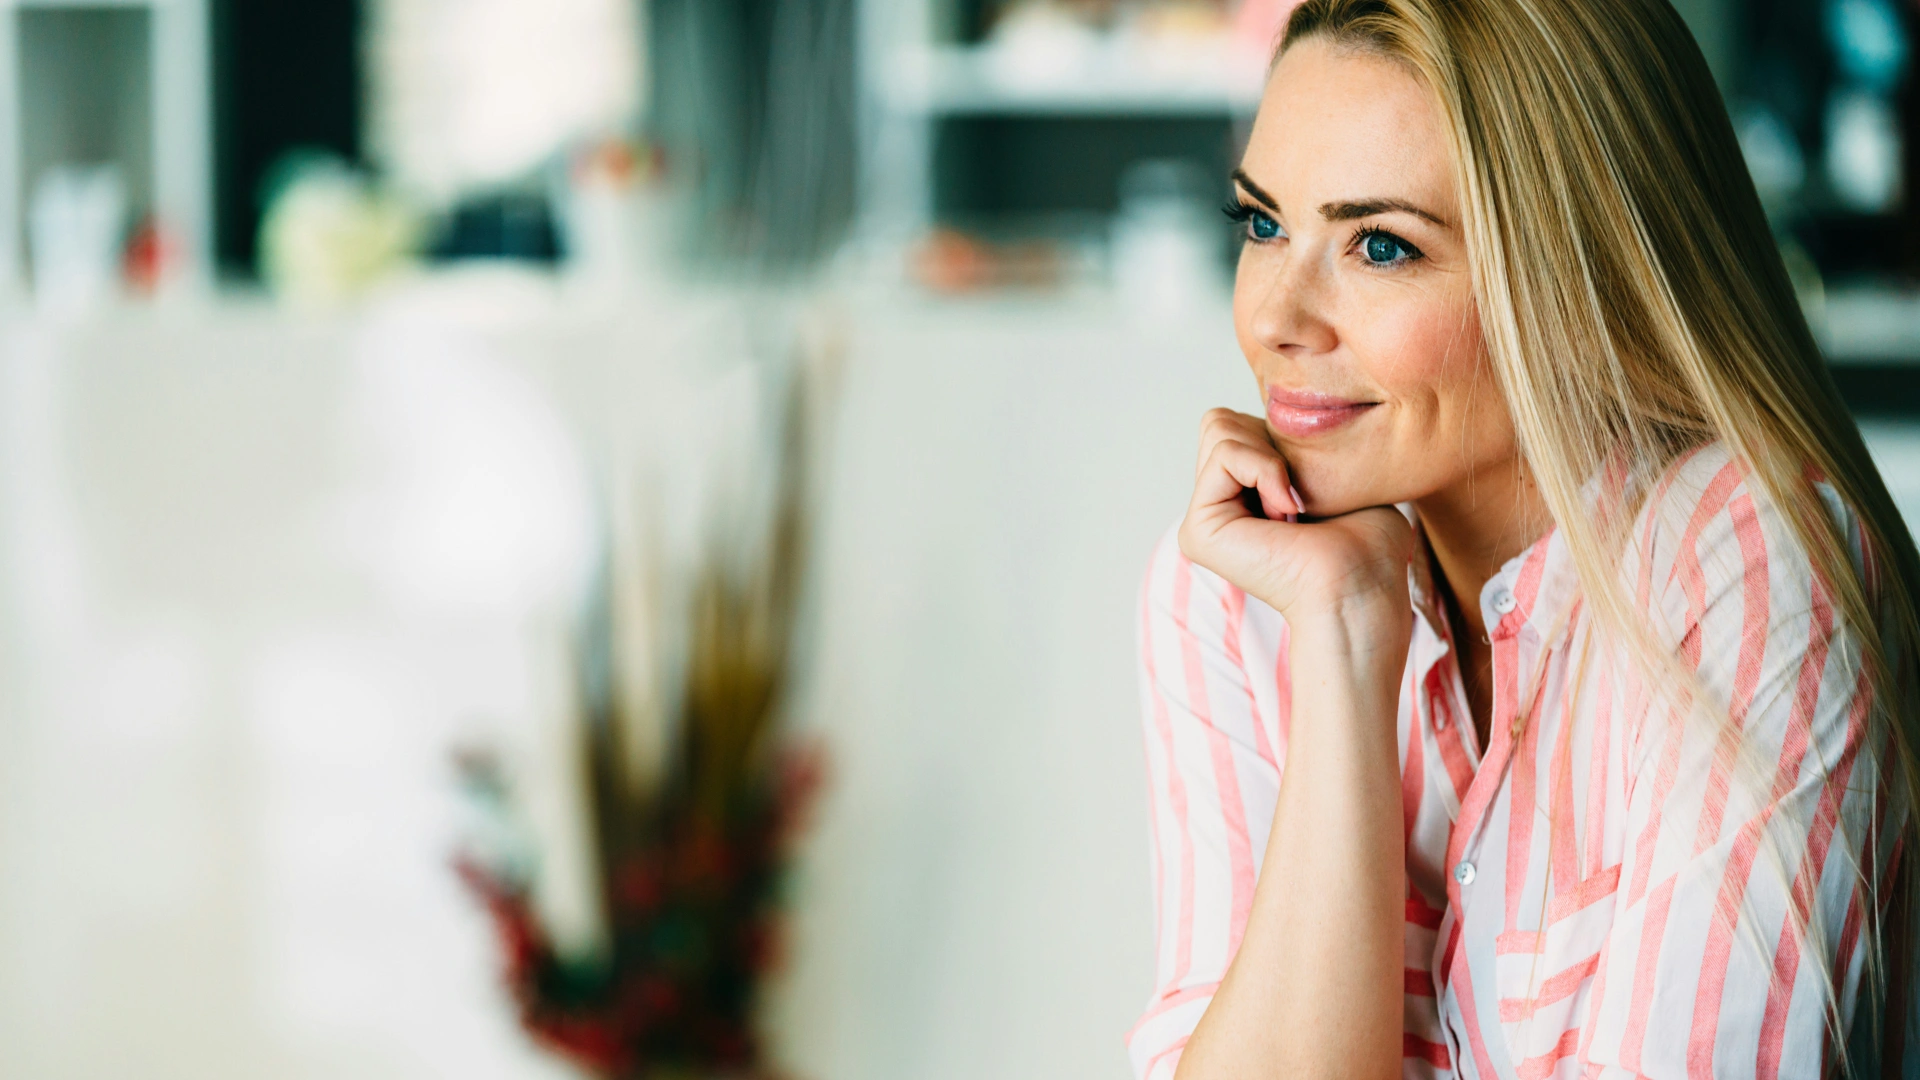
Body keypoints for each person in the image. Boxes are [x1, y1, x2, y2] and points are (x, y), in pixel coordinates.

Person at [1128, 0, 1920, 1077]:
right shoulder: (1237, 590)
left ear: (1576, 276)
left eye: (1379, 246)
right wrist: (1350, 637)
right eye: (1262, 223)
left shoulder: (1739, 566)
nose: (1275, 316)